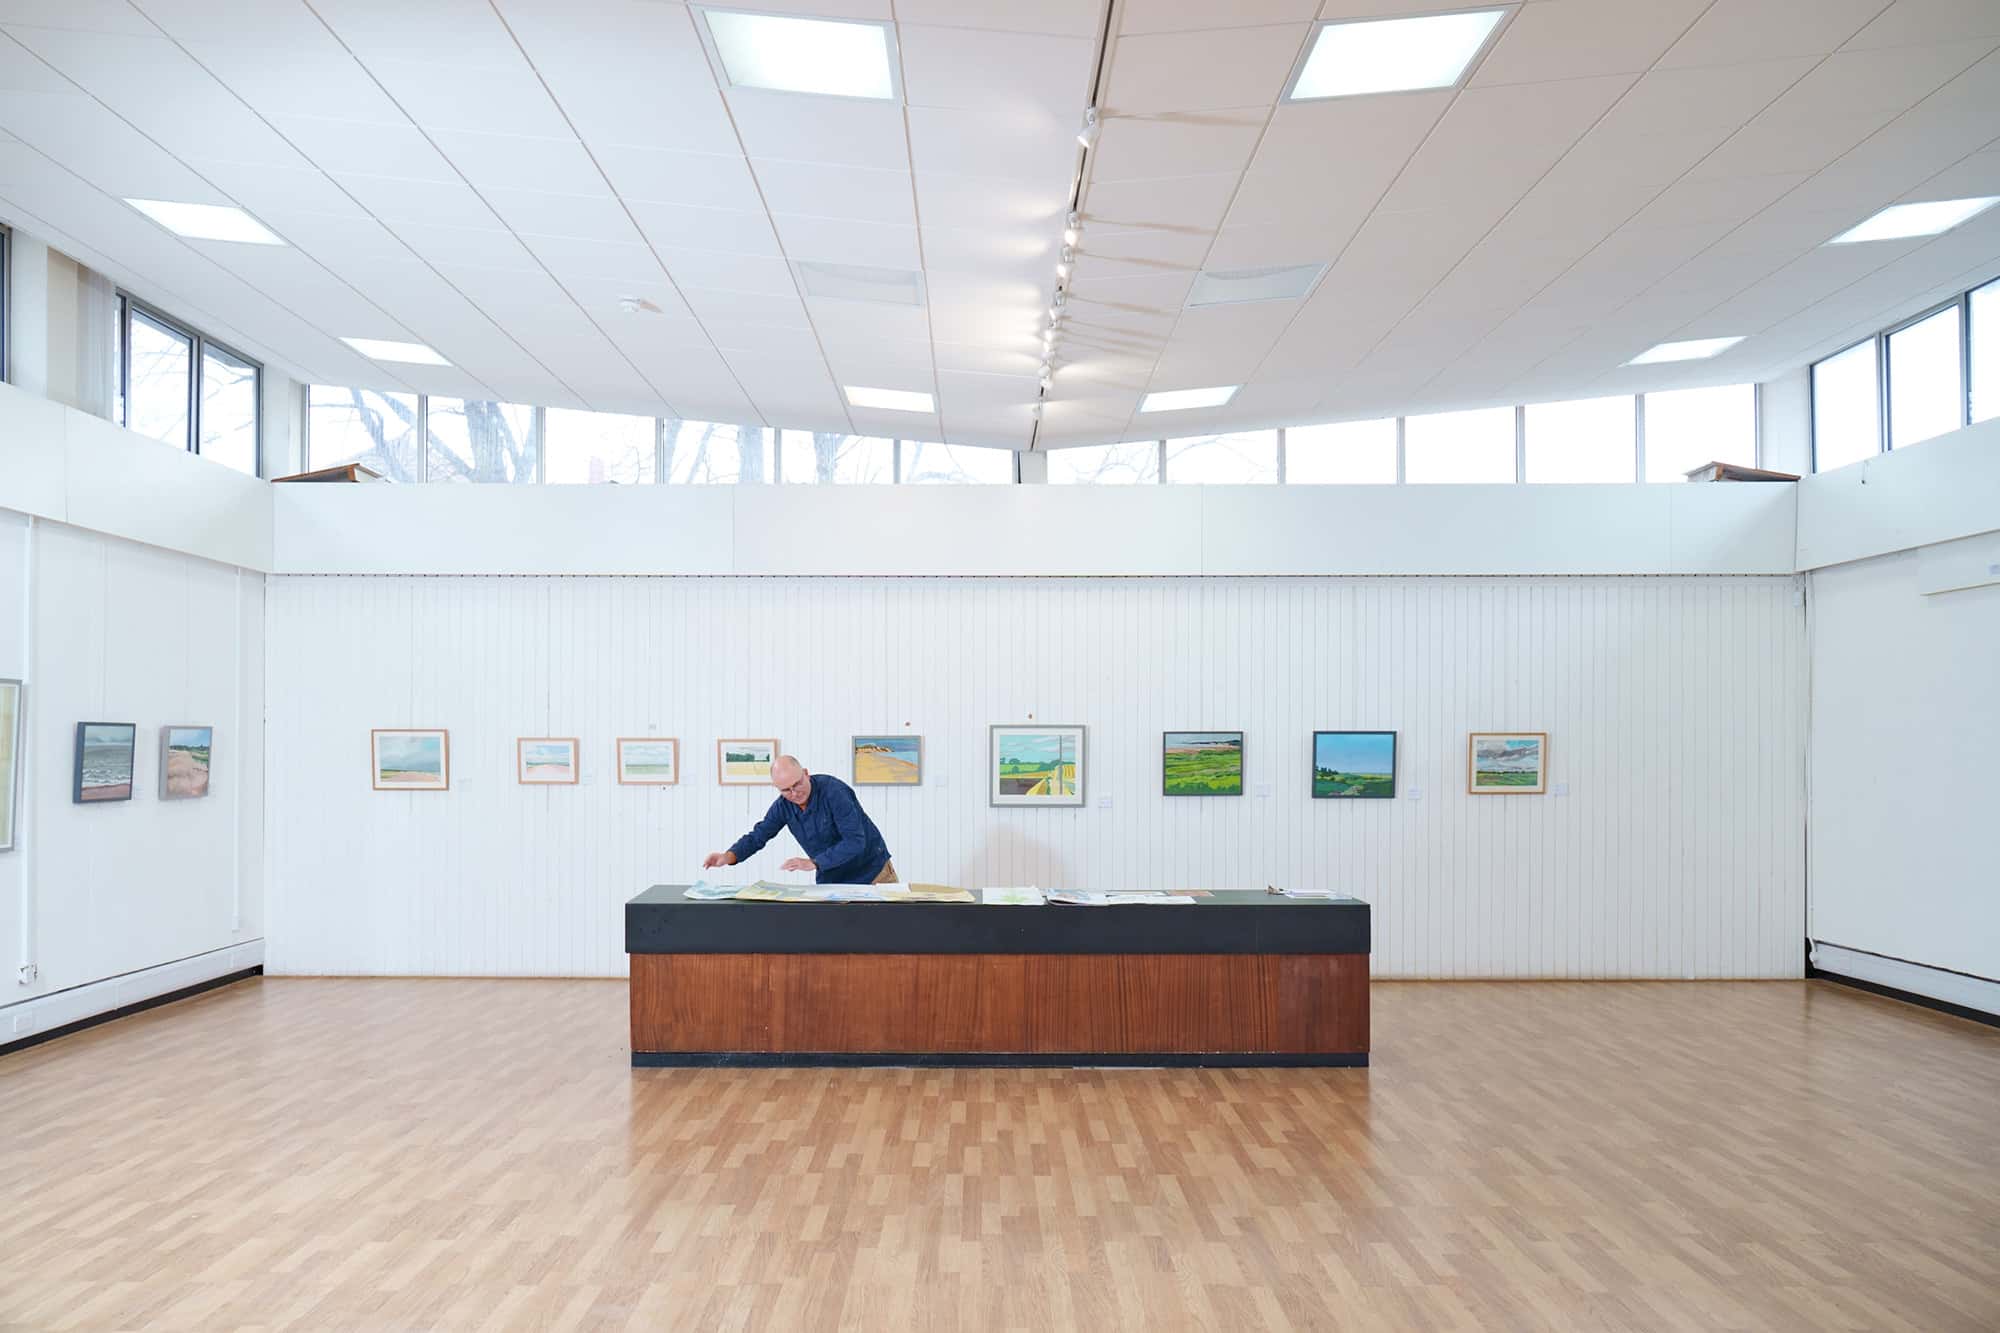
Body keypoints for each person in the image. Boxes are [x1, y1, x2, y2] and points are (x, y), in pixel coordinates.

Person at [703, 755, 897, 884]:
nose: (795, 793)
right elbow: (758, 836)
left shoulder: (834, 791)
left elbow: (855, 841)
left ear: (806, 773)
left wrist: (814, 862)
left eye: (797, 784)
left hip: (873, 872)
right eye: (786, 790)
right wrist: (728, 856)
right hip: (832, 879)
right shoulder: (782, 806)